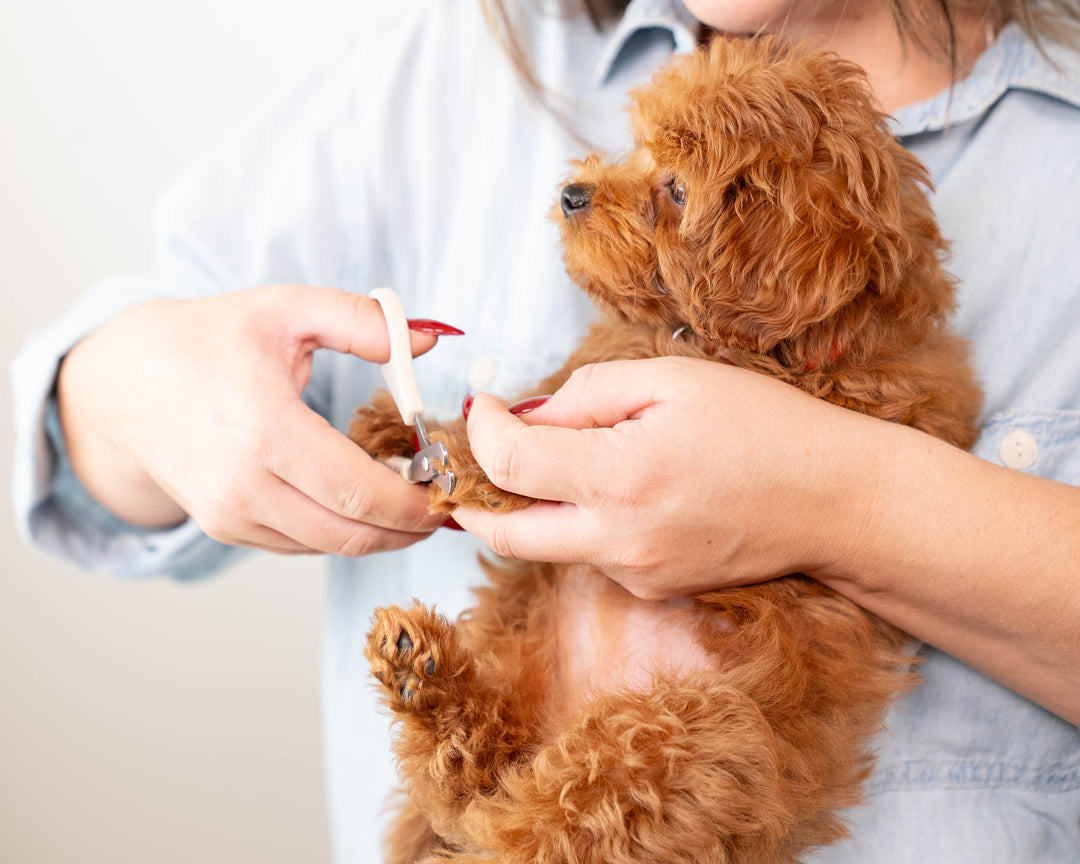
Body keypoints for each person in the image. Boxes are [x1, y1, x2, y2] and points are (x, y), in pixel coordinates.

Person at [11, 0, 1080, 859]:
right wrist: (135, 386)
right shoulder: (447, 64)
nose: (583, 189)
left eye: (667, 190)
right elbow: (81, 436)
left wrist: (847, 505)